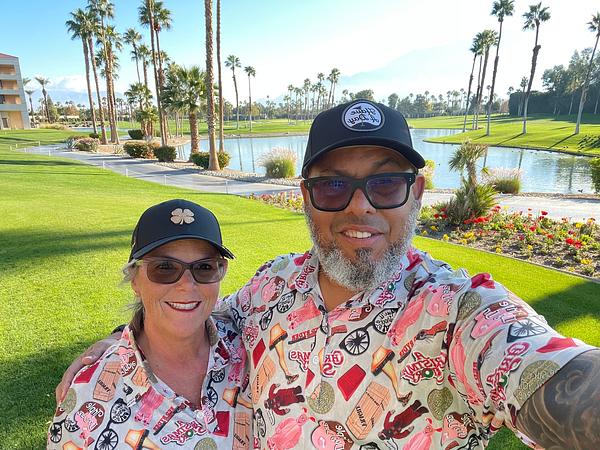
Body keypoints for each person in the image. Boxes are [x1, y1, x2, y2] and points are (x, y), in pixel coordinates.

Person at [58, 101, 600, 449]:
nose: (360, 207)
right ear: (307, 197)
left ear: (416, 193)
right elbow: (197, 309)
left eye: (385, 184)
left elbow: (542, 368)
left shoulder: (459, 312)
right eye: (334, 185)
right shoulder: (272, 286)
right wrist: (121, 343)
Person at [48, 199, 252, 449]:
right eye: (164, 268)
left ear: (221, 271)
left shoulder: (250, 341)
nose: (187, 285)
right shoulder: (87, 398)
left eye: (204, 267)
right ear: (134, 279)